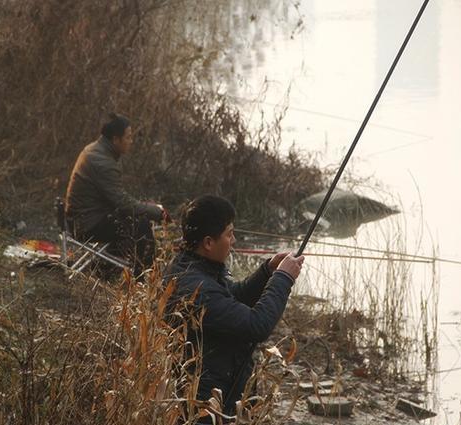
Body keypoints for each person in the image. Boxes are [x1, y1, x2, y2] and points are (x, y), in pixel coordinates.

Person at [164, 195, 304, 421]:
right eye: (229, 234)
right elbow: (257, 325)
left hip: (218, 392)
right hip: (208, 404)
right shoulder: (195, 287)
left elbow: (231, 299)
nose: (234, 240)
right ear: (208, 243)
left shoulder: (195, 266)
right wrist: (283, 278)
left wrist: (267, 272)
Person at [65, 113, 164, 275]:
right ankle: (143, 277)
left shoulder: (95, 150)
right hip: (85, 225)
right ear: (115, 139)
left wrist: (146, 207)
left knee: (132, 219)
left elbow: (117, 198)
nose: (131, 142)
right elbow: (122, 202)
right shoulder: (103, 162)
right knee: (141, 226)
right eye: (128, 138)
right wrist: (156, 211)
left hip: (81, 218)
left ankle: (108, 267)